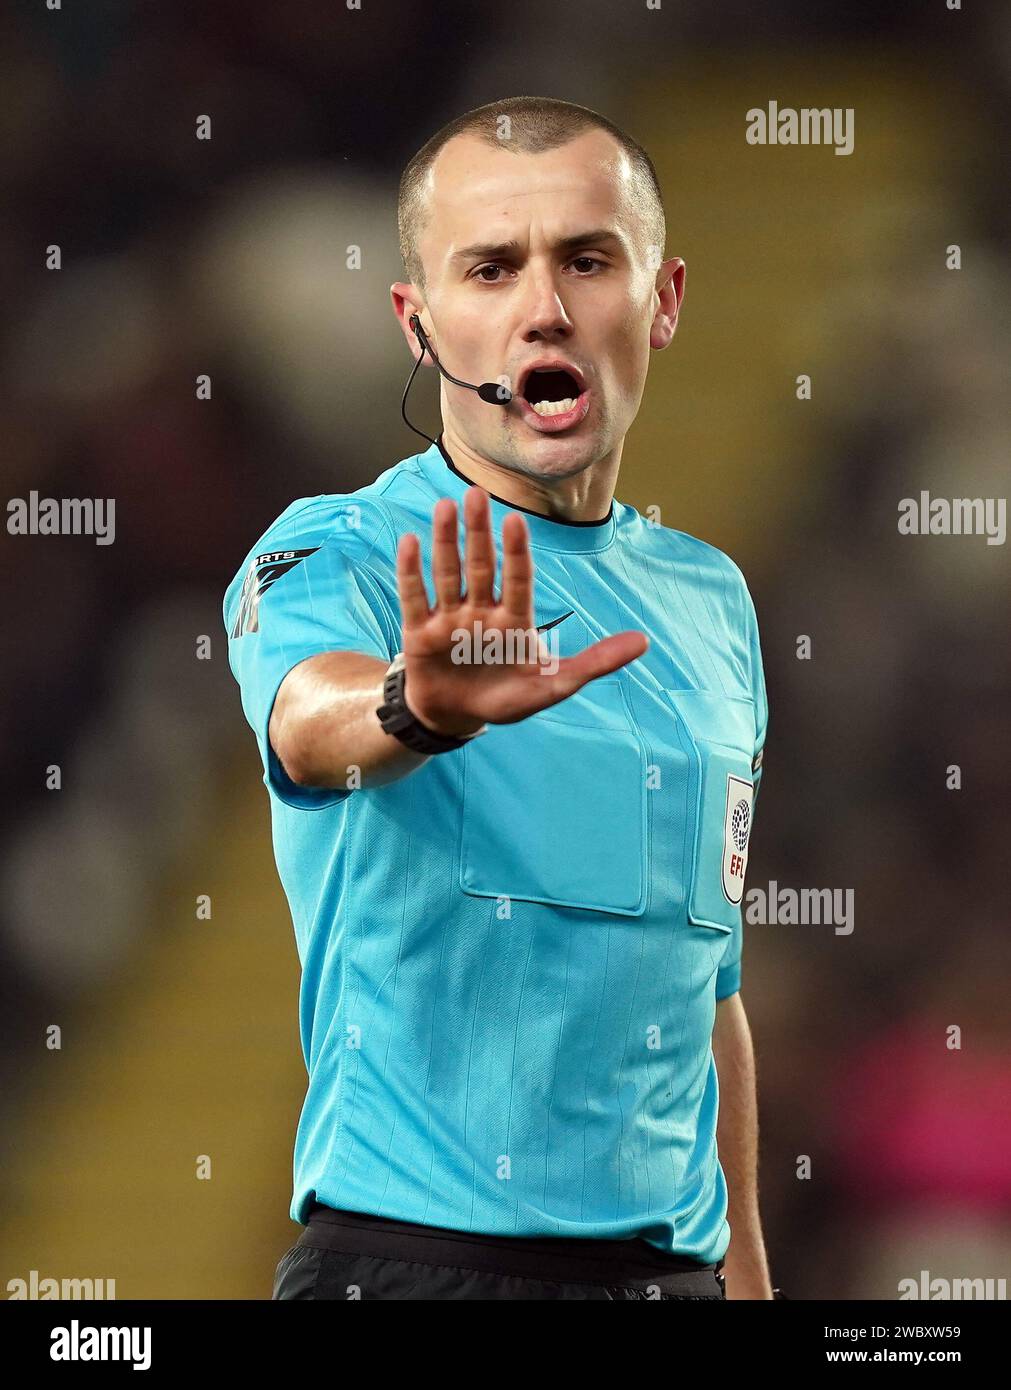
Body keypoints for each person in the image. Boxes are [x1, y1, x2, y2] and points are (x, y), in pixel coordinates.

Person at [224, 94, 773, 1300]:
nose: (545, 307)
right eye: (491, 267)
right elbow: (312, 727)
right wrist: (418, 710)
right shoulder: (342, 553)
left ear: (663, 300)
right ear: (421, 327)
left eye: (588, 258)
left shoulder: (711, 601)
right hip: (418, 1269)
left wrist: (751, 1286)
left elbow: (707, 992)